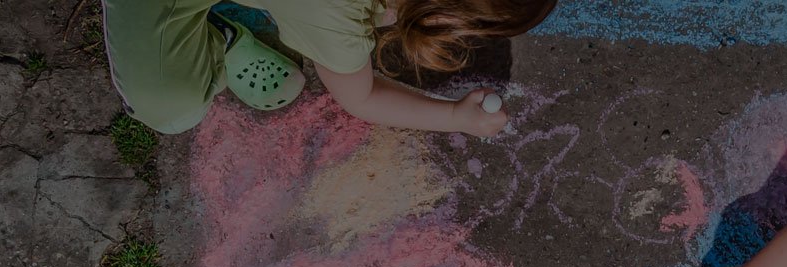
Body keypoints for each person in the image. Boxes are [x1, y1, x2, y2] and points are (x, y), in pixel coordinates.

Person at [102, 0, 555, 135]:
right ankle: (219, 41)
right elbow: (362, 97)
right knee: (172, 108)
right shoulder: (335, 15)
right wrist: (455, 116)